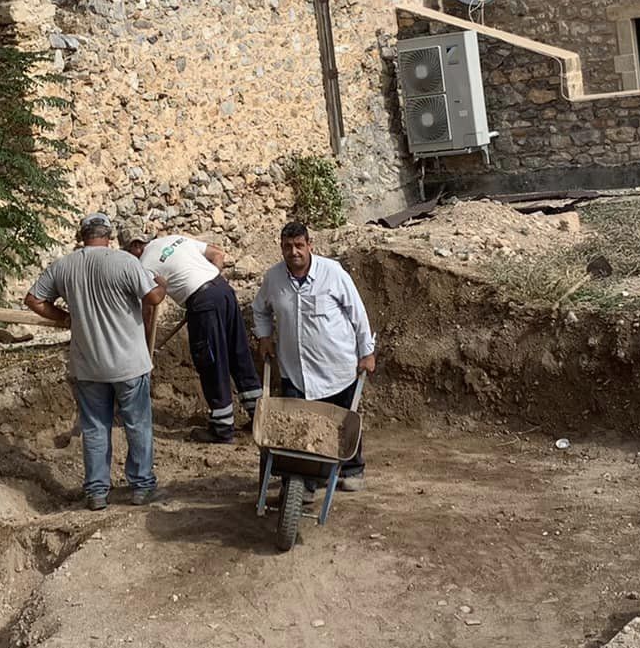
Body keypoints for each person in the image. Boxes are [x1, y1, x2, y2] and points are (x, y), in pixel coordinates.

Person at [24, 212, 168, 510]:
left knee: (94, 428)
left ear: (82, 236)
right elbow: (153, 298)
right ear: (109, 236)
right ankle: (142, 487)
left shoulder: (64, 266)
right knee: (137, 424)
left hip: (88, 365)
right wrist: (162, 285)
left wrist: (66, 318)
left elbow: (34, 300)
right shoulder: (125, 262)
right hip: (129, 363)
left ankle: (97, 492)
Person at [251, 221, 377, 488]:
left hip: (337, 366)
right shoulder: (273, 278)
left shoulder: (332, 273)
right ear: (281, 248)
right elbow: (260, 309)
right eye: (287, 246)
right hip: (295, 370)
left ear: (310, 245)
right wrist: (264, 337)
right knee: (298, 429)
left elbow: (357, 312)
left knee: (343, 422)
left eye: (299, 245)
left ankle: (351, 470)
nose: (294, 252)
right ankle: (304, 482)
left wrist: (367, 352)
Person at [126, 228, 262, 444]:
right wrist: (208, 281)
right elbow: (218, 254)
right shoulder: (175, 239)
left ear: (135, 246)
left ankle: (222, 428)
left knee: (211, 361)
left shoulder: (144, 264)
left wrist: (144, 342)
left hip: (203, 303)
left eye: (128, 253)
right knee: (238, 353)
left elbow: (149, 306)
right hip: (223, 290)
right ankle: (259, 418)